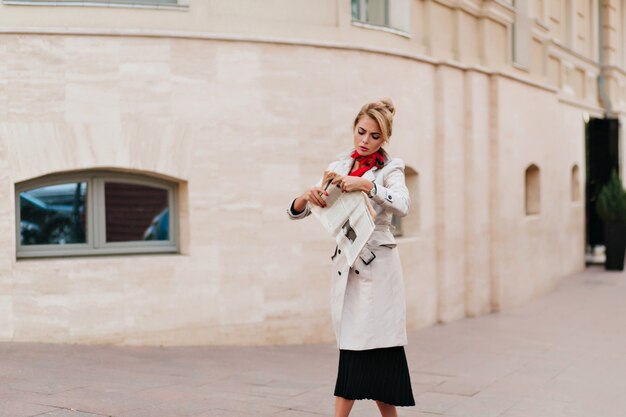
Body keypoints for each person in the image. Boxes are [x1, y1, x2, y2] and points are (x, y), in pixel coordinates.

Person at [287, 99, 415, 417]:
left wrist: (369, 186)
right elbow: (297, 213)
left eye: (374, 136)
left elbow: (402, 204)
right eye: (361, 132)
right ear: (354, 129)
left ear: (384, 139)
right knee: (359, 349)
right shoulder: (339, 165)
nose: (365, 141)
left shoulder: (390, 168)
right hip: (349, 266)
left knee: (373, 352)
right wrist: (307, 197)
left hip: (378, 269)